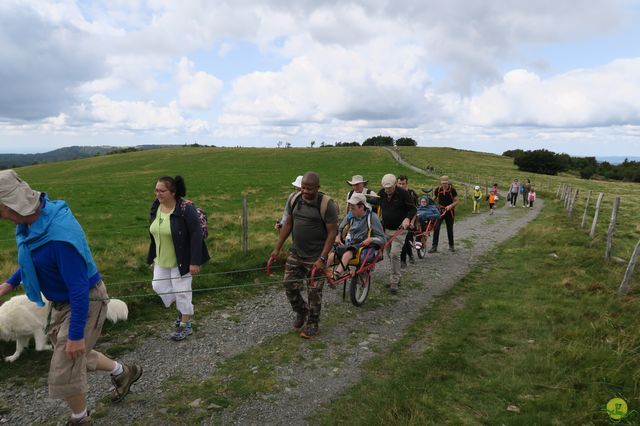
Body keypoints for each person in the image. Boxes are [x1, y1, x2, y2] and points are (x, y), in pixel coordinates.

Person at [0, 169, 142, 425]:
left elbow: (78, 287)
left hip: (85, 300)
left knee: (66, 364)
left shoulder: (59, 237)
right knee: (78, 355)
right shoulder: (34, 224)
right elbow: (35, 259)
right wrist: (9, 284)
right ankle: (124, 372)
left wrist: (76, 334)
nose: (0, 215)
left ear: (12, 205)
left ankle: (80, 418)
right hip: (63, 301)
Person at [270, 172, 338, 339]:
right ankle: (302, 311)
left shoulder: (327, 205)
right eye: (303, 187)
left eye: (309, 188)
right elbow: (289, 224)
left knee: (314, 291)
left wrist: (323, 258)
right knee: (288, 284)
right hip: (296, 252)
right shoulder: (295, 199)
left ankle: (313, 324)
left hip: (316, 256)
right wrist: (277, 248)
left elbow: (332, 233)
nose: (306, 191)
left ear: (318, 188)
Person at [147, 175, 210, 341]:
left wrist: (195, 262)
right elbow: (155, 232)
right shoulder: (156, 206)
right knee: (158, 286)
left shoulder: (185, 208)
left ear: (172, 192)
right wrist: (153, 256)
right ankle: (185, 309)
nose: (158, 194)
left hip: (182, 258)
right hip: (161, 259)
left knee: (182, 291)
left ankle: (185, 324)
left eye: (162, 190)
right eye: (156, 190)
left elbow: (196, 234)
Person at [329, 193, 385, 278]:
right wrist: (338, 236)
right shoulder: (351, 215)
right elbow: (340, 228)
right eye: (350, 208)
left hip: (362, 245)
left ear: (361, 207)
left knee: (347, 254)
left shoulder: (372, 217)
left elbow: (382, 239)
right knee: (333, 255)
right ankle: (322, 272)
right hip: (349, 243)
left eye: (353, 208)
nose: (350, 210)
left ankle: (336, 274)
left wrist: (371, 239)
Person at [377, 173, 416, 293]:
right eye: (385, 188)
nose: (387, 190)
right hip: (386, 229)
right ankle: (396, 277)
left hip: (400, 229)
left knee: (394, 254)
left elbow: (413, 208)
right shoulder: (382, 193)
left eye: (390, 188)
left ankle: (394, 280)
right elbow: (376, 202)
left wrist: (407, 218)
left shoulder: (403, 194)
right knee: (390, 254)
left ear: (395, 185)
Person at [429, 175, 459, 253]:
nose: (444, 185)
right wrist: (428, 204)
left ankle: (451, 246)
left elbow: (457, 201)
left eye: (445, 183)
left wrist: (451, 206)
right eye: (443, 183)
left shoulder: (452, 190)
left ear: (448, 182)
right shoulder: (438, 190)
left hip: (449, 212)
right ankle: (434, 247)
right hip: (440, 211)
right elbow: (433, 199)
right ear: (440, 183)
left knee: (449, 229)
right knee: (436, 228)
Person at [396, 175, 418, 268]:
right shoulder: (395, 193)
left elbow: (415, 210)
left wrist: (412, 222)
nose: (401, 186)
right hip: (398, 220)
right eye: (399, 184)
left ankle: (404, 260)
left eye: (403, 184)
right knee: (403, 240)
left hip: (409, 220)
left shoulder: (412, 194)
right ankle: (408, 256)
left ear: (407, 184)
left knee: (406, 239)